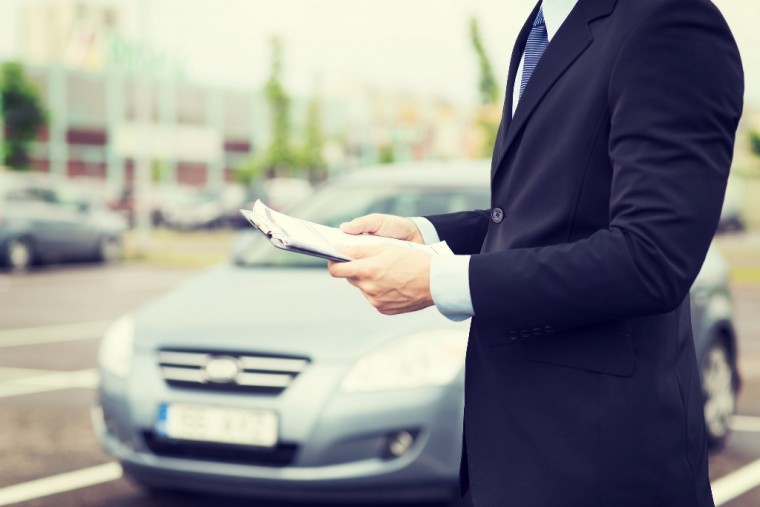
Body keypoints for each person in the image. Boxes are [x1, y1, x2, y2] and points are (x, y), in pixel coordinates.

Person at [328, 0, 744, 505]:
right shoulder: (543, 27)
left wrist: (439, 281)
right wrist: (424, 233)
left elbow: (652, 257)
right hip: (512, 454)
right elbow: (544, 214)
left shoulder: (672, 20)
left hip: (598, 467)